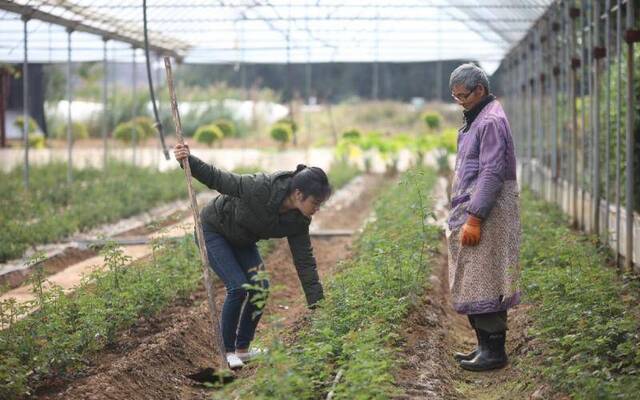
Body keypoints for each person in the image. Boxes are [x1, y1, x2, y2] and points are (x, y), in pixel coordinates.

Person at [174, 143, 331, 369]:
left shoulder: (299, 221)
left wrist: (319, 308)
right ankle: (227, 352)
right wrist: (187, 160)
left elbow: (305, 262)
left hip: (242, 239)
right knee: (238, 288)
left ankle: (242, 349)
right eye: (315, 203)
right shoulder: (259, 187)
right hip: (214, 229)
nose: (317, 209)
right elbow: (218, 179)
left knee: (260, 288)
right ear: (298, 194)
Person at [446, 63, 521, 371]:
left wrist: (475, 217)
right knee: (475, 278)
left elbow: (490, 173)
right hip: (476, 209)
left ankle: (494, 352)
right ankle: (482, 348)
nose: (460, 101)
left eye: (464, 95)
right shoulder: (479, 117)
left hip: (487, 212)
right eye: (455, 97)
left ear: (480, 90)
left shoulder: (490, 121)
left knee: (486, 278)